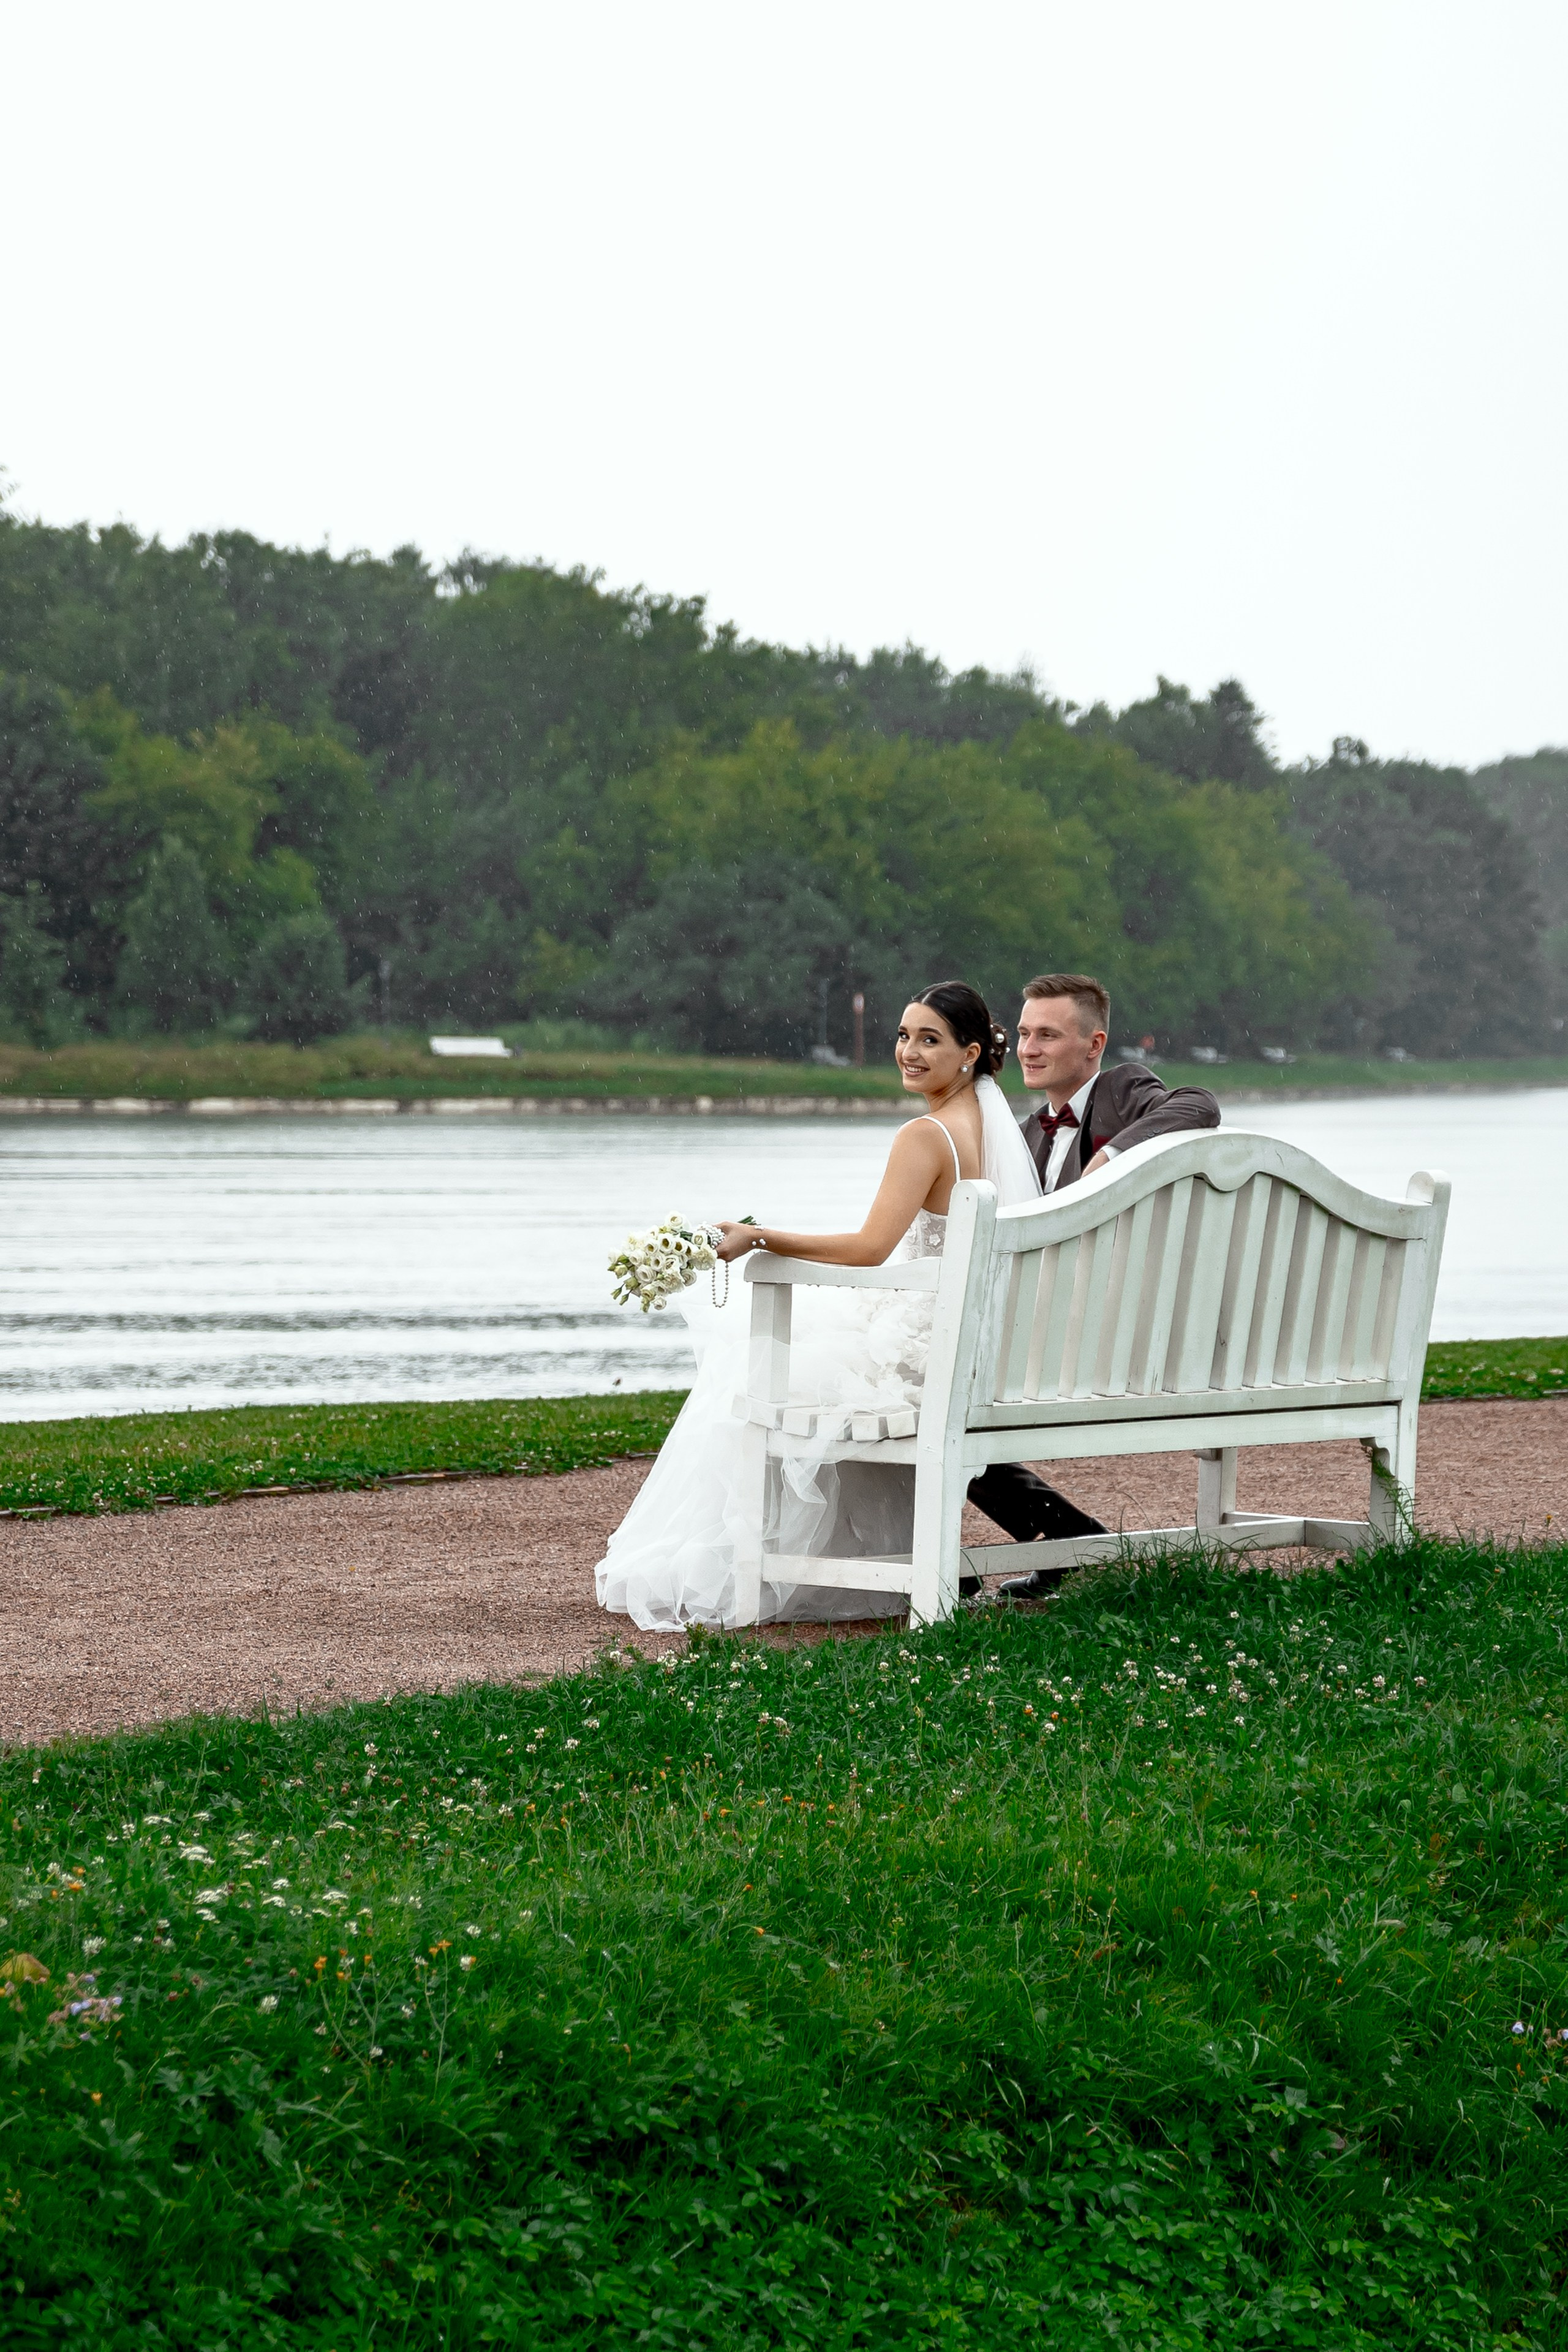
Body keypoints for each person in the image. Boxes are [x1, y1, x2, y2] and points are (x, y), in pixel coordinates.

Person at [594, 981, 1044, 1632]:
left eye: (929, 1039)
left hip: (928, 1341)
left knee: (757, 1364)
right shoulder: (979, 1119)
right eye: (902, 1035)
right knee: (804, 1346)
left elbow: (869, 1247)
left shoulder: (926, 1134)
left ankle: (760, 1564)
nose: (908, 1052)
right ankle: (932, 1557)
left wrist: (760, 1236)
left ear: (969, 1052)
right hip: (958, 1332)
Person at [985, 971, 1222, 1602]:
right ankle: (1071, 1539)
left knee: (927, 1387)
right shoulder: (1028, 1132)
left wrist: (1114, 1155)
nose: (1030, 1048)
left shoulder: (1121, 1089)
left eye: (1049, 1035)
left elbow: (1198, 1104)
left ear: (1094, 1044)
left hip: (1117, 1336)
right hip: (1070, 1327)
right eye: (1025, 1033)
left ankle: (1048, 1542)